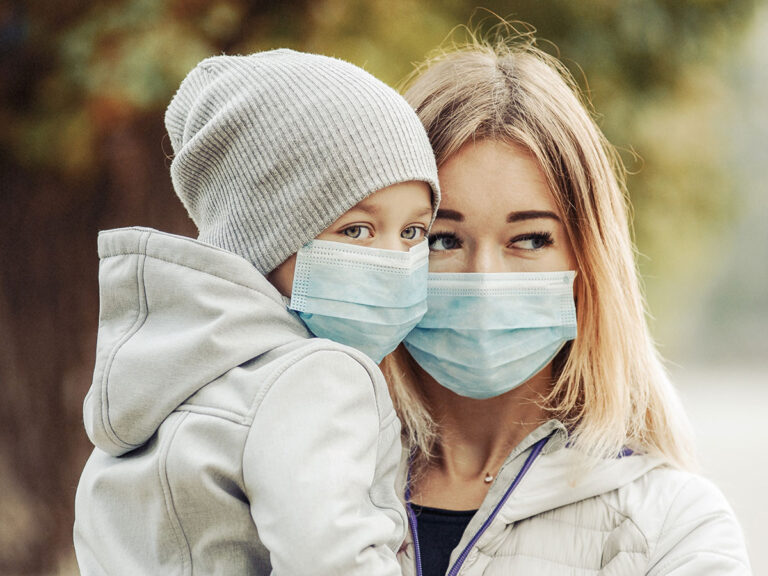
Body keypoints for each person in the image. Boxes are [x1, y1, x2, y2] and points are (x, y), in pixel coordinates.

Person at [379, 31, 752, 575]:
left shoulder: (671, 527)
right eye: (441, 239)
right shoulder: (293, 476)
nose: (484, 278)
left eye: (529, 239)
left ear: (589, 260)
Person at [73, 49, 440, 575]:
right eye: (355, 230)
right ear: (266, 233)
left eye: (413, 232)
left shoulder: (161, 378)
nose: (395, 261)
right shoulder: (315, 376)